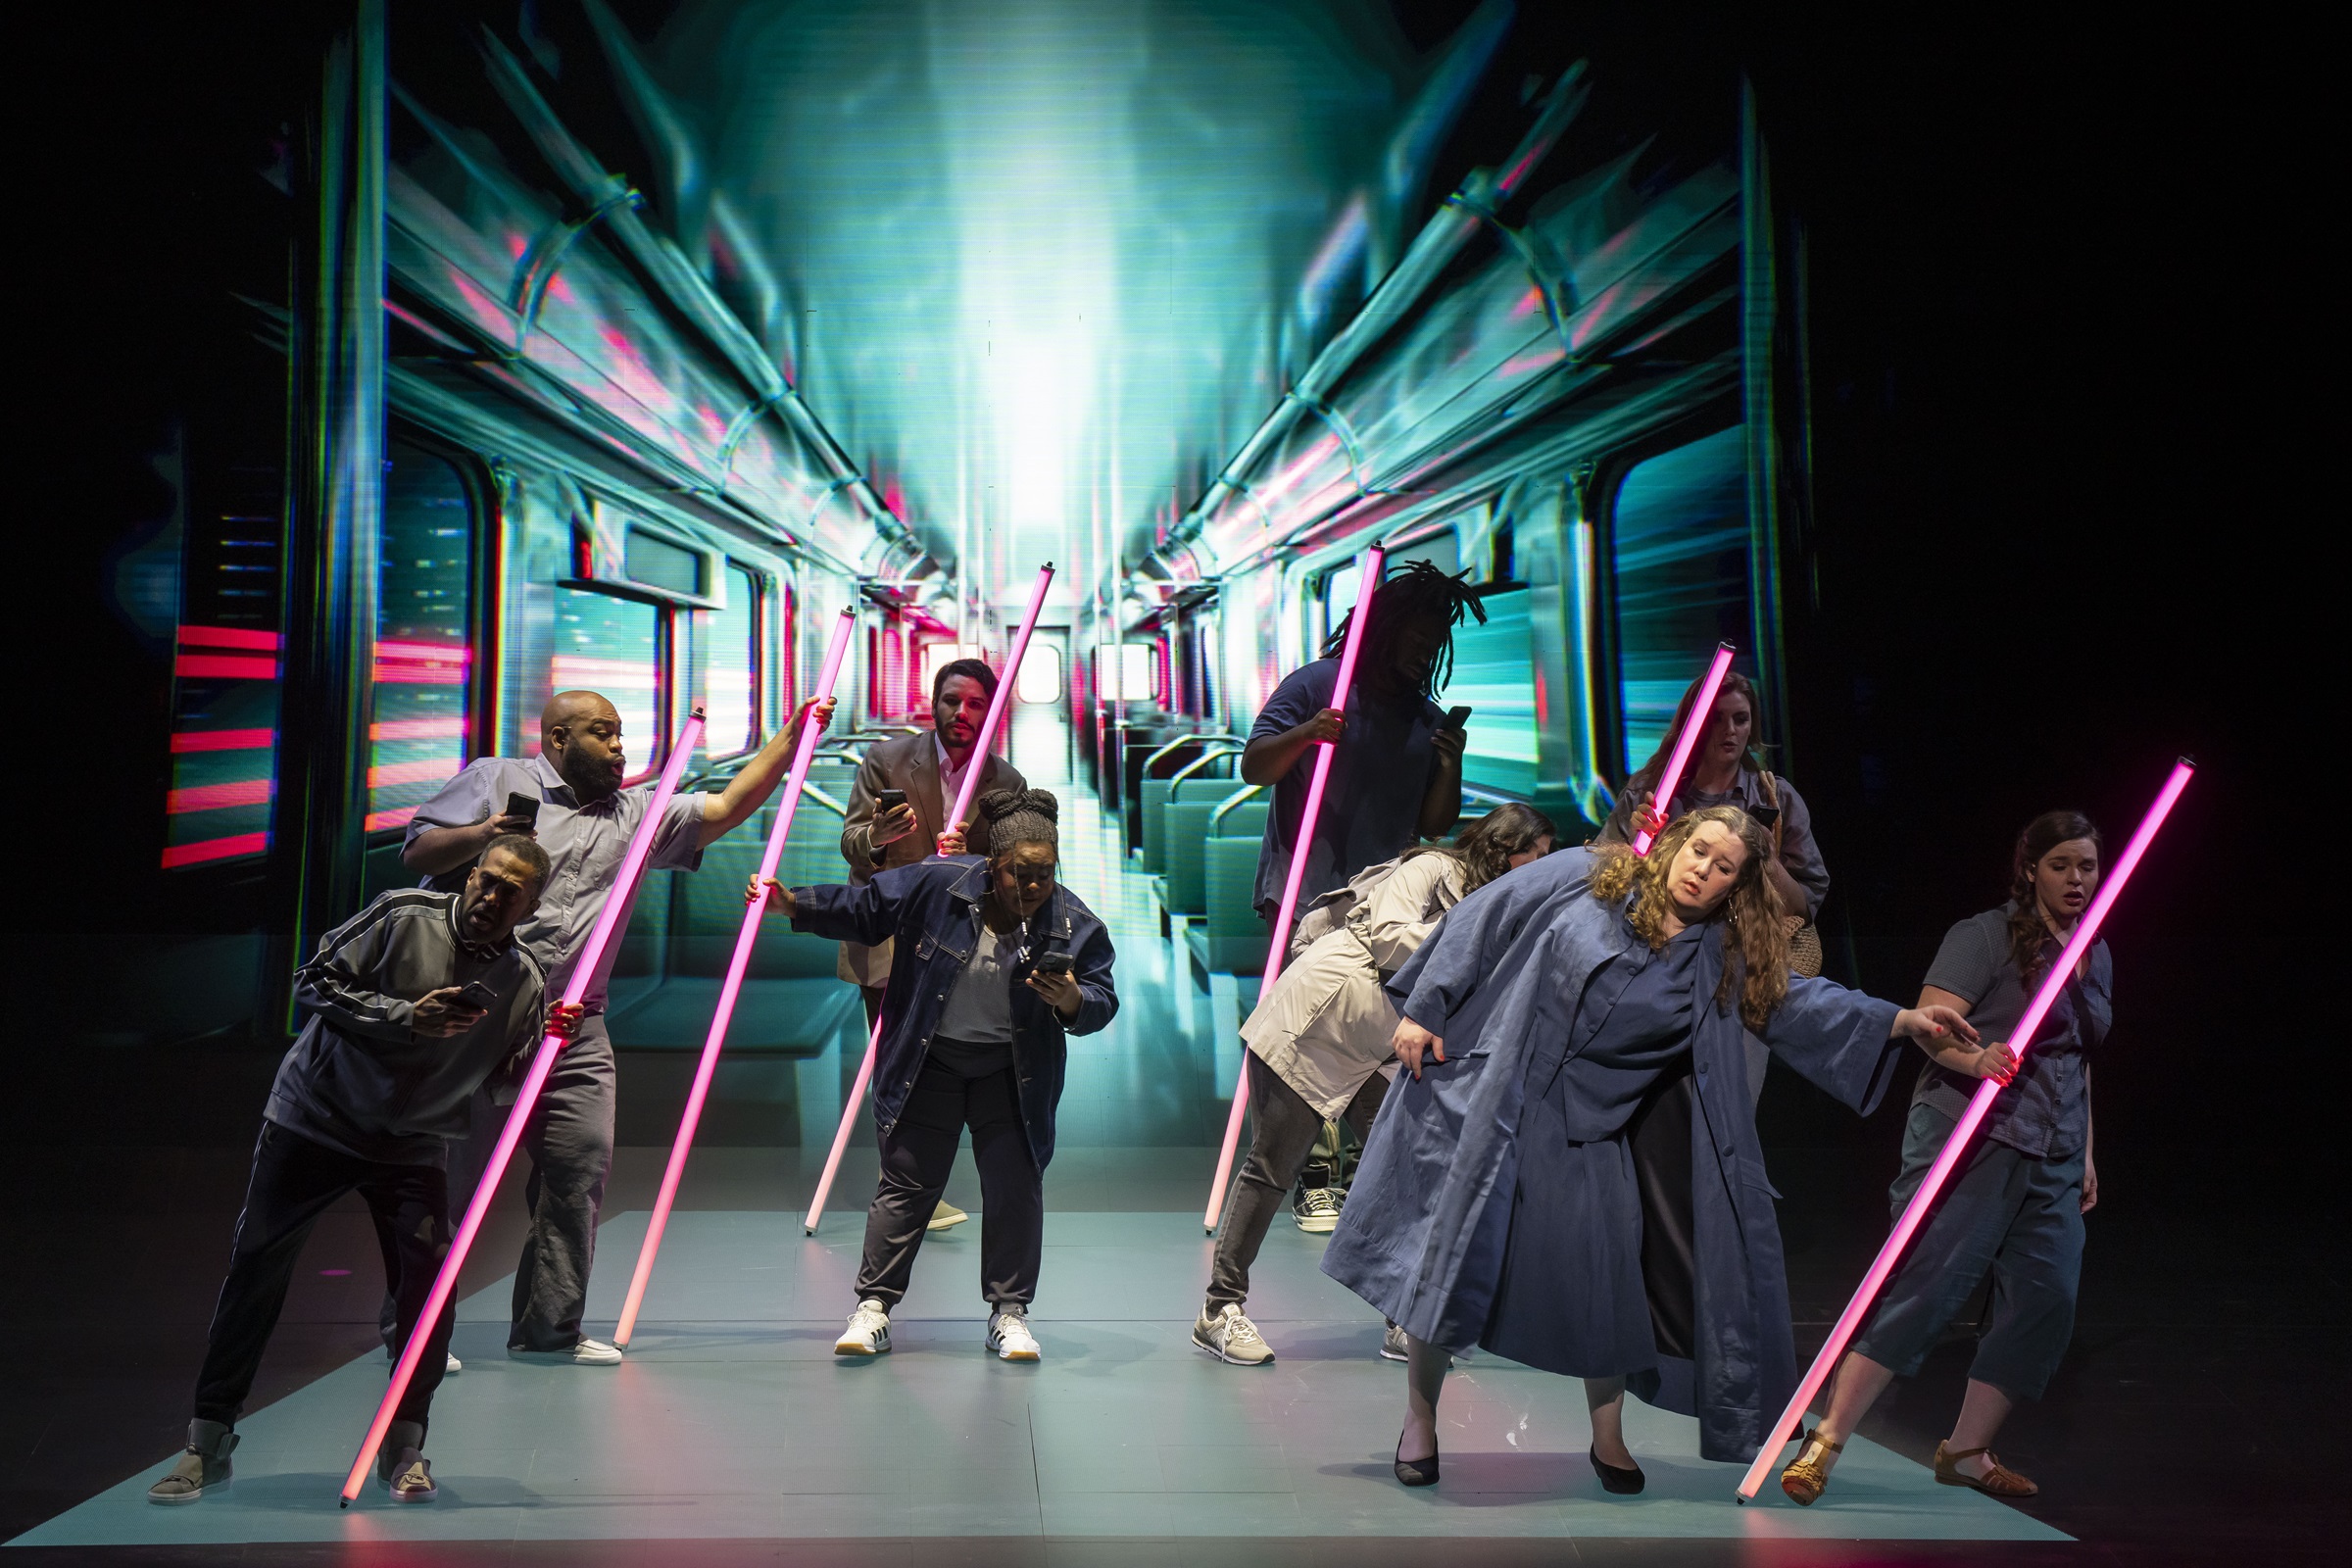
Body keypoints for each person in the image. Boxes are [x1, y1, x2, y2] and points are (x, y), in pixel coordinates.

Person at [1320, 807, 2007, 1491]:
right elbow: (1483, 917)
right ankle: (1420, 1422)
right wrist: (1426, 1006)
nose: (1702, 870)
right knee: (1449, 1263)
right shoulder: (1587, 876)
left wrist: (1902, 1020)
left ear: (1737, 885)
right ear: (1676, 843)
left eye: (1723, 867)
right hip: (1497, 1098)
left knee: (1607, 1283)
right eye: (1699, 850)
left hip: (1590, 1129)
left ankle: (1608, 1439)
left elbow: (1800, 1002)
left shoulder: (1722, 958)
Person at [400, 687, 833, 1365]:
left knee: (578, 1170)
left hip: (575, 1021)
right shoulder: (496, 780)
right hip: (474, 1012)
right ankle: (416, 1334)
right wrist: (485, 835)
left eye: (620, 733)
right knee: (448, 1179)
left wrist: (792, 735)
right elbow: (419, 853)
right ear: (558, 739)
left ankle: (548, 1329)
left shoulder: (637, 812)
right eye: (602, 733)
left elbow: (723, 808)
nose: (618, 746)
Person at [146, 839, 581, 1506]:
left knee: (429, 1294)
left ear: (531, 906)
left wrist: (548, 1046)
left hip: (412, 1146)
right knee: (256, 1270)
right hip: (314, 1121)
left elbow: (501, 1084)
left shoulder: (523, 978)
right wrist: (407, 1016)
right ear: (471, 875)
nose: (492, 898)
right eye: (487, 881)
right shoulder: (402, 914)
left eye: (510, 892)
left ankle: (404, 1447)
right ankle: (207, 1442)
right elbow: (312, 979)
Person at [1780, 809, 2106, 1505]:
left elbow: (2078, 1057)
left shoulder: (2096, 949)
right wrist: (1977, 1057)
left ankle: (1966, 1450)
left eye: (2087, 866)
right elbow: (1932, 1025)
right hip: (1973, 1136)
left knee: (2046, 1297)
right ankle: (1825, 1439)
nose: (2076, 879)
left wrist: (2086, 1153)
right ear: (2031, 870)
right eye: (2060, 866)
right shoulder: (1984, 935)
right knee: (1925, 1289)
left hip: (2054, 1148)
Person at [752, 789, 1116, 1362]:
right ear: (991, 866)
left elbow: (1101, 999)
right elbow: (866, 909)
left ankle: (1009, 1313)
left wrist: (1071, 999)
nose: (1031, 886)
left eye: (1044, 874)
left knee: (1014, 1186)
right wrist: (793, 904)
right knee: (906, 1184)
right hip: (931, 1060)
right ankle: (873, 1307)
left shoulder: (1073, 922)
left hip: (1011, 1072)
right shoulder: (937, 884)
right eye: (1018, 873)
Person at [1196, 804, 1557, 1369]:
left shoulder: (1500, 911)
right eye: (1529, 852)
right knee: (1272, 1167)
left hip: (1382, 1048)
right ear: (1500, 846)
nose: (1536, 865)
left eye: (1544, 856)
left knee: (1405, 1175)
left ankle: (1399, 1314)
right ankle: (1219, 1309)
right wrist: (1474, 943)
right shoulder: (1433, 867)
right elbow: (1389, 937)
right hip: (1314, 1023)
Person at [1242, 560, 1480, 1223]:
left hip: (1385, 907)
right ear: (1383, 631)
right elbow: (1255, 765)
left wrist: (1450, 762)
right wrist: (1307, 734)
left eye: (1433, 648)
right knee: (1304, 1040)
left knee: (1371, 1039)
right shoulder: (1318, 685)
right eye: (1415, 642)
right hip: (1304, 893)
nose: (1423, 656)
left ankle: (1364, 1169)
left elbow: (1434, 824)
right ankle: (1311, 1170)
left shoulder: (1423, 717)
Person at [837, 657, 1027, 1233]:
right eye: (951, 700)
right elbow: (850, 843)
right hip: (889, 937)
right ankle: (900, 1185)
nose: (961, 713)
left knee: (935, 1067)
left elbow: (1015, 874)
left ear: (991, 712)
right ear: (934, 702)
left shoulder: (1007, 783)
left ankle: (916, 1181)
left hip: (960, 947)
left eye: (975, 704)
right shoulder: (887, 760)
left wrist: (976, 859)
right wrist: (877, 837)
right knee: (894, 1062)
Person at [1600, 668, 1830, 1108]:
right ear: (1694, 724)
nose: (1730, 731)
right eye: (1716, 719)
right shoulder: (1654, 795)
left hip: (1739, 982)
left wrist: (1768, 861)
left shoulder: (1774, 799)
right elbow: (1602, 878)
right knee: (1651, 1109)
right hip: (1656, 969)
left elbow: (1805, 905)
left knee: (1727, 1111)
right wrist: (1638, 842)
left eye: (1741, 719)